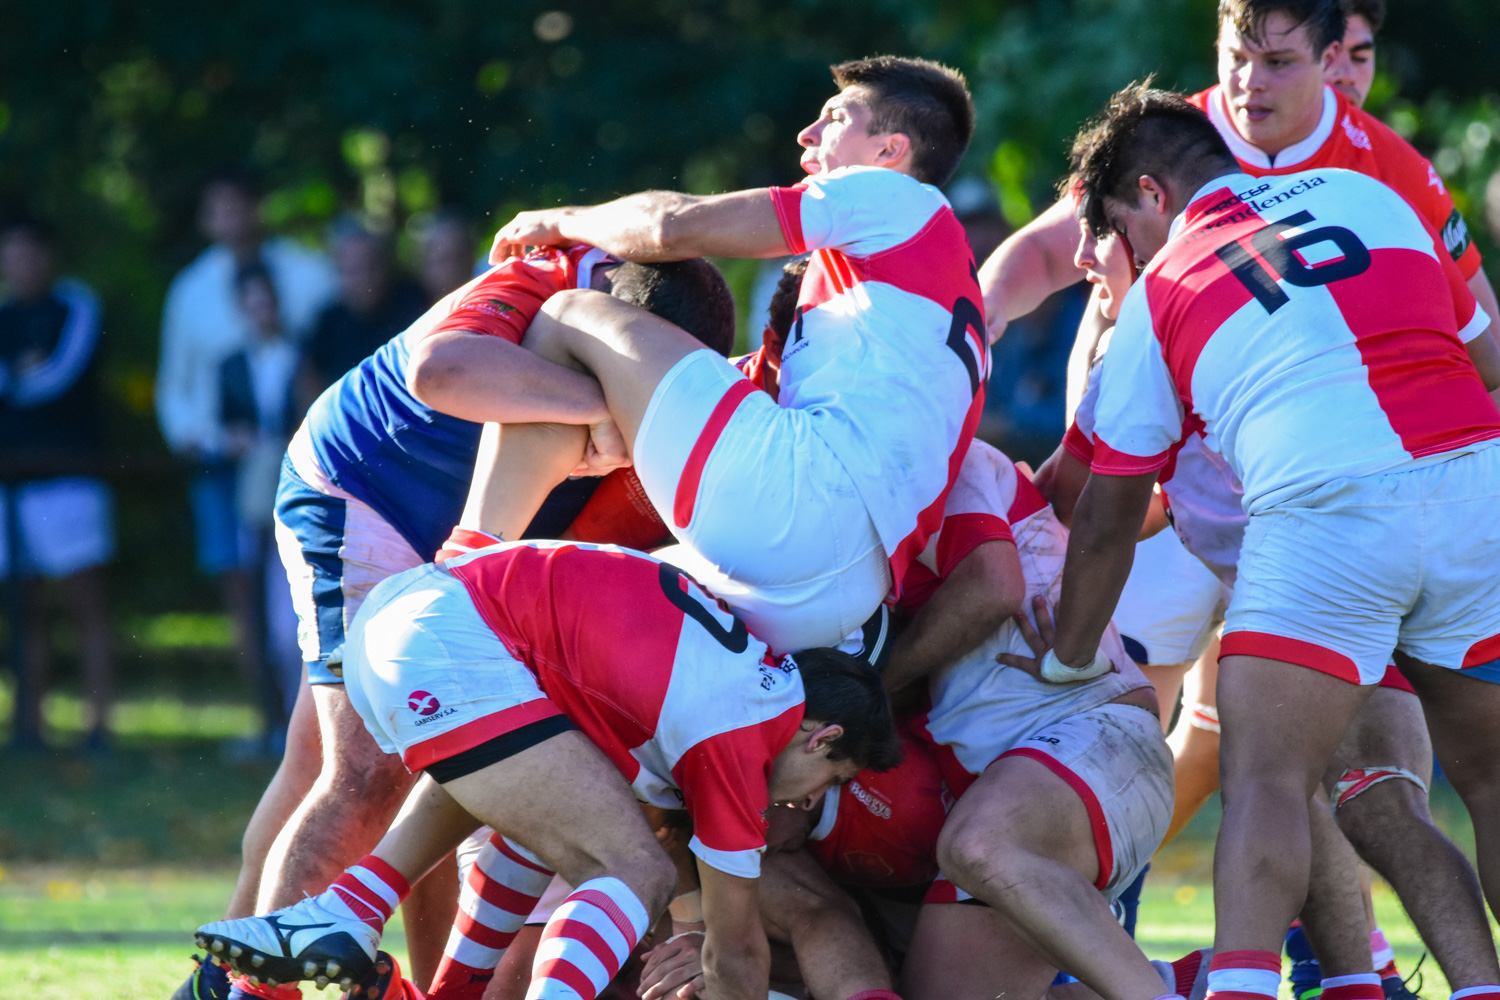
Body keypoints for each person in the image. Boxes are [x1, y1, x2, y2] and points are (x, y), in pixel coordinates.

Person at [183, 246, 735, 1000]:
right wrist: (606, 407)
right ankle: (250, 991)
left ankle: (228, 981)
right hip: (366, 488)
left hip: (452, 550)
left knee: (395, 760)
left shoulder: (677, 383)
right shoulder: (552, 274)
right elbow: (440, 371)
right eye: (636, 364)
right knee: (369, 771)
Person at [1049, 83, 1500, 1000]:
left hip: (1326, 525)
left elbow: (1098, 513)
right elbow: (1486, 359)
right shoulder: (1374, 196)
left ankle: (1250, 987)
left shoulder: (1165, 281)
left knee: (1265, 780)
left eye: (1114, 231)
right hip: (1472, 490)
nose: (1116, 257)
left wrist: (1063, 662)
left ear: (1150, 195)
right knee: (1479, 781)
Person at [195, 540, 902, 1000]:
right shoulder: (744, 732)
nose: (810, 805)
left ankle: (343, 913)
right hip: (450, 640)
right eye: (832, 781)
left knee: (537, 813)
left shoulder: (732, 678)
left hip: (410, 622)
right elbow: (737, 954)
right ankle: (332, 926)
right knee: (633, 871)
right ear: (820, 737)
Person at [470, 55, 985, 656]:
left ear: (889, 152)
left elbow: (671, 227)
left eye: (835, 118)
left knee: (569, 314)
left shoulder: (893, 197)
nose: (807, 134)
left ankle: (462, 570)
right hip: (837, 604)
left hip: (796, 514)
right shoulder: (933, 289)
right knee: (559, 609)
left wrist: (561, 220)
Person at [156, 168, 335, 743]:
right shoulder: (190, 290)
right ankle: (266, 717)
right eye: (219, 208)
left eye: (240, 205)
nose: (231, 219)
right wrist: (199, 437)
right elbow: (178, 383)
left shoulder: (311, 274)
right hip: (224, 468)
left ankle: (308, 717)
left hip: (299, 462)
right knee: (241, 585)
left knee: (301, 586)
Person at [0, 213, 115, 752]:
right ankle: (30, 726)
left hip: (71, 480)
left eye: (28, 250)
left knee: (84, 604)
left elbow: (58, 378)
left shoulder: (77, 306)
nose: (19, 263)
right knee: (26, 609)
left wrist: (17, 379)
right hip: (14, 485)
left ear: (48, 255)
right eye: (10, 252)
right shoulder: (4, 317)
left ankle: (98, 725)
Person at [221, 262, 305, 736]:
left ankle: (295, 720)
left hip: (293, 489)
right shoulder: (231, 365)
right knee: (254, 604)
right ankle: (269, 716)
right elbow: (225, 424)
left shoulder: (302, 354)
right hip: (253, 495)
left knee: (286, 610)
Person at [298, 216, 428, 405]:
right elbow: (309, 380)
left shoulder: (414, 305)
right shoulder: (327, 322)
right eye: (352, 271)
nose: (363, 279)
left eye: (370, 268)